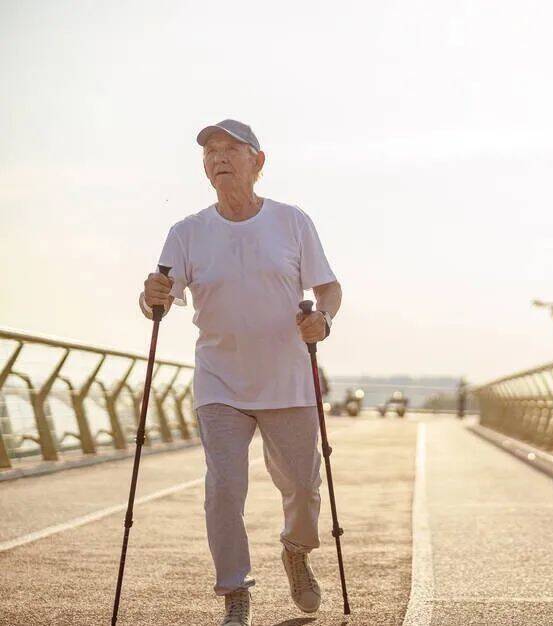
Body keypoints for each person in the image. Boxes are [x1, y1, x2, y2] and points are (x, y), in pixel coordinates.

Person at [141, 119, 342, 626]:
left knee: (302, 487)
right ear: (204, 166)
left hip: (289, 380)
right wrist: (151, 297)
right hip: (220, 382)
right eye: (210, 151)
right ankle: (235, 590)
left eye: (231, 148)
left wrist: (324, 319)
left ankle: (296, 550)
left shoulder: (291, 221)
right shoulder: (186, 232)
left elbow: (328, 289)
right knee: (224, 486)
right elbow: (157, 301)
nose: (219, 157)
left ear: (259, 161)